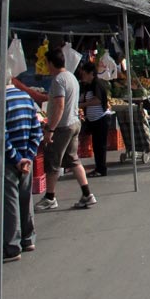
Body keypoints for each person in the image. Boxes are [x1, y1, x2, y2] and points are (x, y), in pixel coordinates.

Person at [0, 64, 43, 263]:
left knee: (9, 203)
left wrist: (16, 160)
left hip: (9, 161)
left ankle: (11, 246)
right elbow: (37, 129)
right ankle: (28, 238)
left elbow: (0, 138)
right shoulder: (26, 98)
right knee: (25, 199)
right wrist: (28, 156)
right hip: (26, 158)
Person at [35, 47, 97, 210]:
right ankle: (87, 194)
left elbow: (60, 106)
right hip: (74, 123)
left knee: (53, 162)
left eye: (46, 63)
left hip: (63, 126)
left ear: (50, 63)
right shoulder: (71, 77)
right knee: (73, 159)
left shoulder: (58, 80)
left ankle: (50, 197)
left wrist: (50, 129)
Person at [78, 61, 111, 178]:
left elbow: (98, 100)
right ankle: (98, 167)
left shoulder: (97, 84)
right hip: (94, 120)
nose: (83, 76)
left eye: (84, 74)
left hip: (101, 119)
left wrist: (83, 105)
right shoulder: (87, 86)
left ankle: (101, 169)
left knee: (100, 145)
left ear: (91, 73)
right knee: (96, 145)